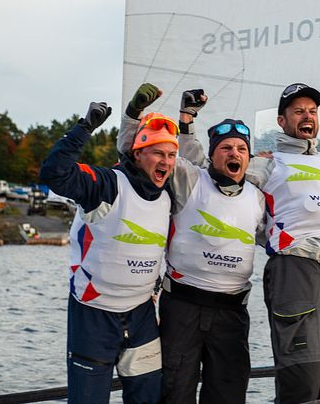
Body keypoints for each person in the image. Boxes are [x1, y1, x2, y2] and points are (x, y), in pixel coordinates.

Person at [174, 83, 320, 403]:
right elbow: (207, 169)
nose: (307, 116)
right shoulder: (266, 162)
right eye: (298, 112)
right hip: (294, 265)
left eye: (312, 111)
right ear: (282, 121)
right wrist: (187, 124)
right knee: (303, 373)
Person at [117, 85, 266, 404]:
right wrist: (133, 114)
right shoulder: (191, 179)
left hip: (231, 314)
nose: (234, 154)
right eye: (225, 148)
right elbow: (140, 149)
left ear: (249, 158)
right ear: (211, 155)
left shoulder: (258, 197)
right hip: (183, 309)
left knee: (229, 394)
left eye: (241, 148)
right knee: (175, 392)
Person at [40, 101, 179, 403]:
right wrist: (85, 127)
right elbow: (54, 173)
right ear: (138, 153)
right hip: (94, 314)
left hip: (141, 315)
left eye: (171, 155)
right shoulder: (106, 185)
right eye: (158, 152)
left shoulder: (168, 192)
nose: (166, 162)